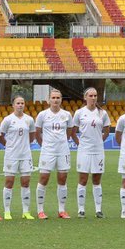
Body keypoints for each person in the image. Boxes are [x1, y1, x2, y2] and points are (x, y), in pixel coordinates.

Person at [34, 89, 73, 219]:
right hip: (48, 151)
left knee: (62, 179)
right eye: (53, 98)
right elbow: (37, 132)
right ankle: (40, 210)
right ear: (49, 99)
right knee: (44, 178)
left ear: (61, 99)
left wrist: (62, 143)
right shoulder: (42, 115)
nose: (56, 100)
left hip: (63, 151)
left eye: (58, 98)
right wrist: (44, 146)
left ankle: (61, 210)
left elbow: (69, 131)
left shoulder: (67, 114)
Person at [72, 87, 110, 218]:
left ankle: (98, 210)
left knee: (97, 179)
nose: (93, 98)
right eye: (91, 95)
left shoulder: (102, 113)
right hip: (84, 150)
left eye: (95, 95)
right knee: (83, 179)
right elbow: (73, 131)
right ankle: (81, 210)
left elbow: (106, 129)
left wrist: (100, 141)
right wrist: (80, 144)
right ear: (85, 97)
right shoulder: (79, 112)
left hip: (98, 151)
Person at [0, 96, 36, 220]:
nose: (20, 105)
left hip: (25, 155)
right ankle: (7, 211)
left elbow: (32, 135)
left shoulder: (29, 120)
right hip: (11, 155)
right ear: (13, 105)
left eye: (22, 103)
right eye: (18, 103)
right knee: (9, 182)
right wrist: (9, 145)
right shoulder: (8, 120)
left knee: (25, 182)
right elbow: (0, 135)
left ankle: (26, 211)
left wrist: (24, 146)